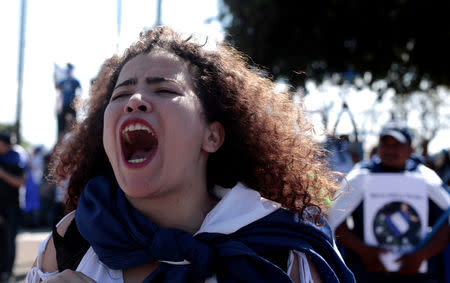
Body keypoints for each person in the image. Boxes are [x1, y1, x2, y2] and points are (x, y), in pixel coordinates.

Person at [26, 26, 355, 283]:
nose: (135, 99)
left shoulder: (284, 252)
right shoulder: (71, 241)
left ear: (212, 135)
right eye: (122, 92)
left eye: (165, 89)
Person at [329, 121, 450, 283]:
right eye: (385, 144)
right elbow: (334, 221)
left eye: (397, 144)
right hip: (368, 273)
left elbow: (446, 223)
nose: (390, 150)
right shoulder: (360, 176)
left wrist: (421, 255)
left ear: (410, 149)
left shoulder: (427, 179)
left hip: (418, 275)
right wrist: (364, 251)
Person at [0, 132, 26, 282]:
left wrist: (3, 174)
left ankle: (7, 272)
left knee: (9, 241)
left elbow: (21, 182)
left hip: (13, 207)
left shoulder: (16, 158)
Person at [56, 63, 81, 137]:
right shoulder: (63, 81)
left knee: (74, 122)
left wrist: (78, 98)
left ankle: (75, 134)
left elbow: (80, 90)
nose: (69, 71)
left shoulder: (75, 81)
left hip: (72, 104)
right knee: (61, 124)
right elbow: (57, 88)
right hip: (64, 104)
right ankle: (60, 136)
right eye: (68, 70)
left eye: (70, 70)